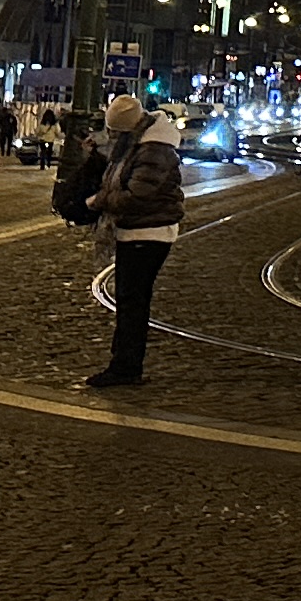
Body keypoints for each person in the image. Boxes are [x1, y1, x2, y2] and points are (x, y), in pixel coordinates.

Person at [82, 94, 190, 390]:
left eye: (117, 132)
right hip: (139, 232)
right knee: (130, 300)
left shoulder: (155, 149)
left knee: (132, 301)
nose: (114, 137)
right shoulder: (140, 142)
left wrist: (97, 201)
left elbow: (135, 195)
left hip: (148, 232)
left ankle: (126, 367)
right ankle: (124, 363)